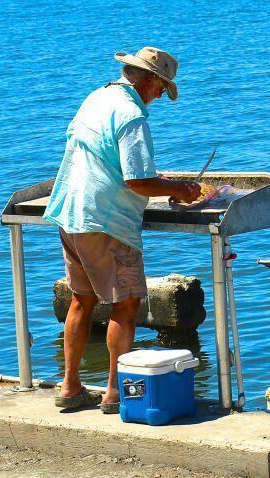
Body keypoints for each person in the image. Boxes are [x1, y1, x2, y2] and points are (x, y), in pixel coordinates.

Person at [43, 47, 201, 413]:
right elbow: (138, 181)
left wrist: (163, 183)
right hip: (107, 222)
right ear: (149, 80)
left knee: (81, 298)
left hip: (70, 211)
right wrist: (178, 189)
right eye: (162, 88)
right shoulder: (131, 115)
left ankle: (70, 388)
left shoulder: (97, 98)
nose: (161, 96)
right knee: (125, 305)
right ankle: (116, 394)